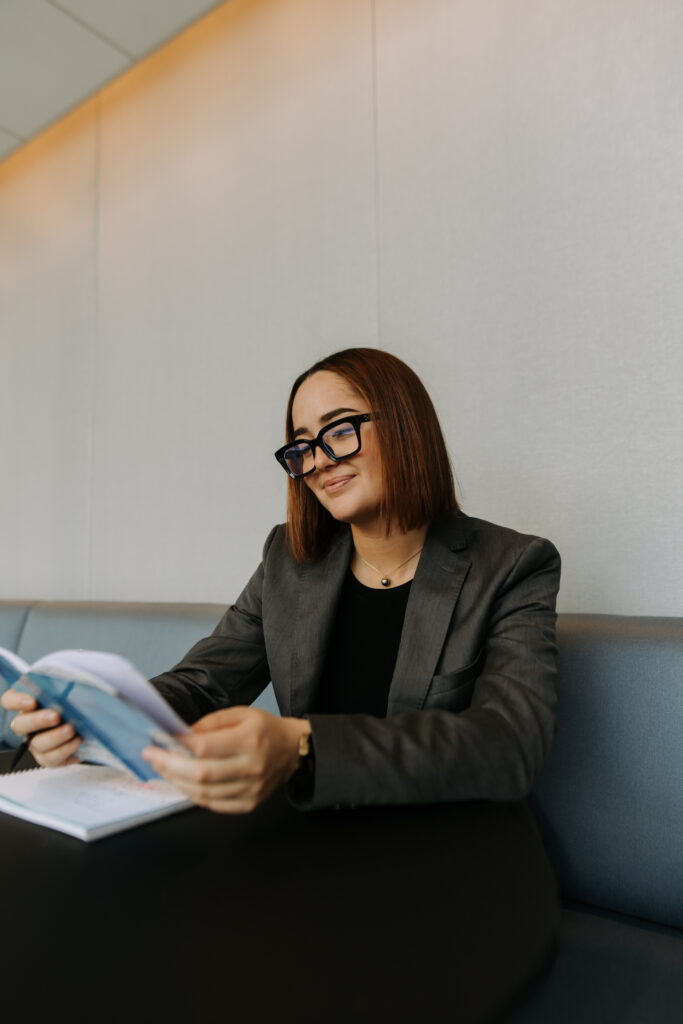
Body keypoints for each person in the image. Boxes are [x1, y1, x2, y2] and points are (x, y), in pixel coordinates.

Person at [2, 348, 561, 1014]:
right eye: (301, 446)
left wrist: (301, 747)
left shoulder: (512, 565)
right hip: (313, 839)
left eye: (339, 430)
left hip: (455, 852)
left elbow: (508, 744)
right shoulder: (290, 561)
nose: (318, 460)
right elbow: (203, 684)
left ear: (404, 422)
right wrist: (90, 717)